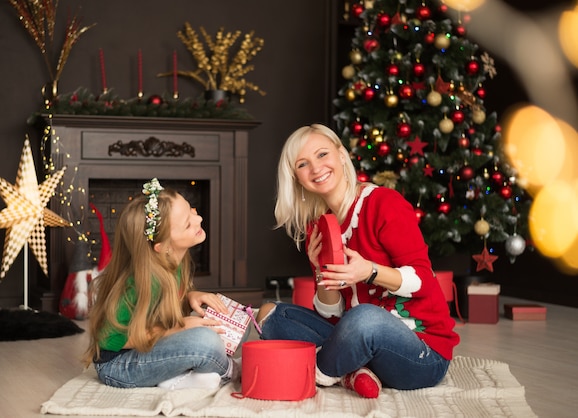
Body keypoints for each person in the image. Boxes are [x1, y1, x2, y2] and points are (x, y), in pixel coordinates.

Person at [256, 124, 460, 398]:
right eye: (303, 164)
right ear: (296, 178)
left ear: (341, 155)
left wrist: (370, 272)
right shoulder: (318, 226)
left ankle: (311, 372)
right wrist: (320, 271)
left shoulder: (384, 203)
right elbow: (332, 318)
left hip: (421, 354)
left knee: (365, 318)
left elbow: (424, 281)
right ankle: (350, 372)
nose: (316, 168)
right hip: (361, 341)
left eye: (322, 154)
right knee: (270, 314)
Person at [83, 178, 241, 390]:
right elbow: (108, 338)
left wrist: (190, 296)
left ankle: (180, 378)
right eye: (187, 223)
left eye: (192, 210)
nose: (199, 218)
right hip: (119, 365)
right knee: (205, 342)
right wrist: (178, 327)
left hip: (151, 349)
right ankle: (231, 371)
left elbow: (158, 307)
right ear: (163, 246)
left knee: (231, 319)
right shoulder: (141, 282)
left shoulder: (172, 261)